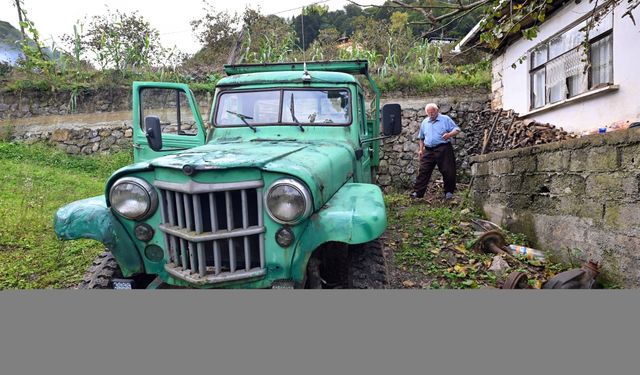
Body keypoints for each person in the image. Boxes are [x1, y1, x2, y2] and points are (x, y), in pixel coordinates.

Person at [409, 103, 461, 200]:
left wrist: (449, 135)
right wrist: (421, 150)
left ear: (437, 111)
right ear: (426, 113)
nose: (431, 114)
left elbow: (457, 129)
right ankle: (418, 192)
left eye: (433, 112)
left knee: (448, 170)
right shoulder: (425, 122)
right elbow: (421, 138)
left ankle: (449, 192)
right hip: (428, 150)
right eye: (429, 113)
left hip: (443, 148)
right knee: (423, 170)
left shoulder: (445, 119)